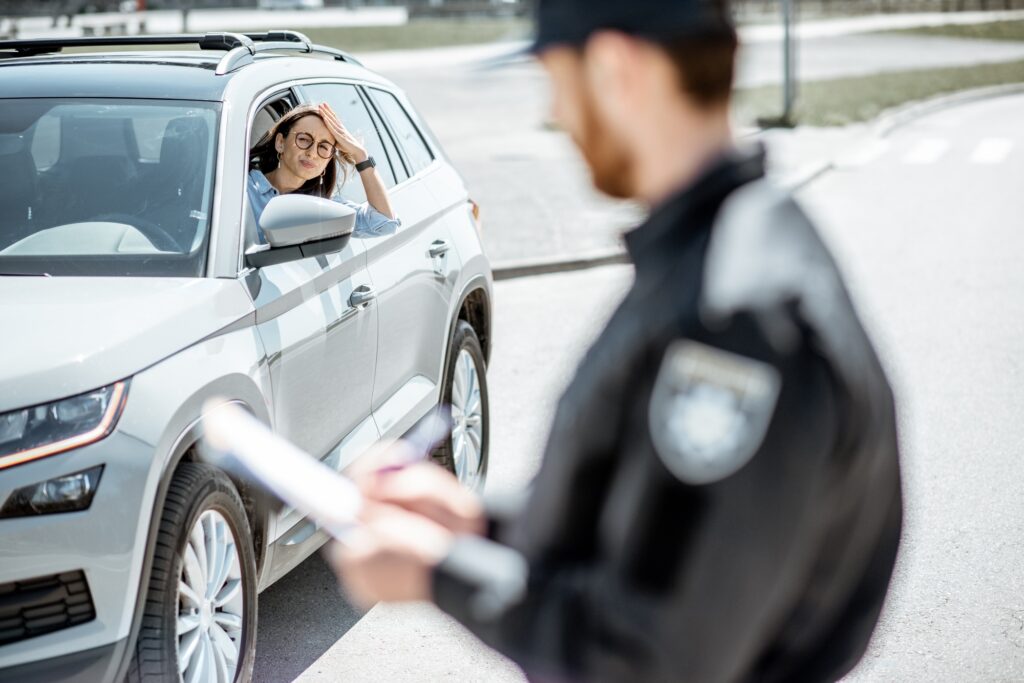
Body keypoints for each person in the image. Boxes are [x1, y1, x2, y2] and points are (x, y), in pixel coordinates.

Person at [329, 1, 903, 681]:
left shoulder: (735, 320)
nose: (557, 114)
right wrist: (475, 523)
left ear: (613, 68)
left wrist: (436, 573)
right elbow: (648, 518)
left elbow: (651, 654)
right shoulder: (732, 245)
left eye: (555, 78)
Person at [248, 102, 399, 238]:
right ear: (280, 142)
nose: (312, 153)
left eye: (323, 147)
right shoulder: (243, 187)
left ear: (328, 160)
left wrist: (360, 155)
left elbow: (385, 223)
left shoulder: (322, 208)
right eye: (304, 139)